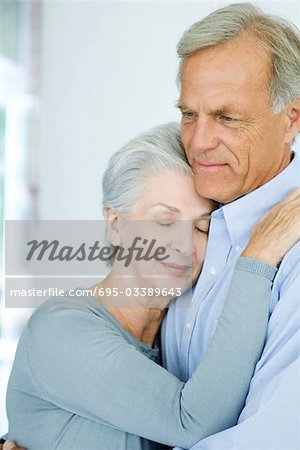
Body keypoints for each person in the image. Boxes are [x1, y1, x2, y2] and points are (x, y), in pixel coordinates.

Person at [3, 122, 300, 450]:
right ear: (116, 225)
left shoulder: (178, 335)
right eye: (164, 221)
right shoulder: (60, 328)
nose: (184, 245)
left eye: (202, 228)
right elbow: (191, 423)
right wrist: (258, 256)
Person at [162, 3, 300, 449]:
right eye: (188, 114)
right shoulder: (175, 203)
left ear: (292, 119)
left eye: (227, 117)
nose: (199, 142)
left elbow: (268, 440)